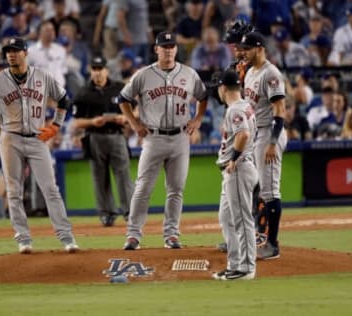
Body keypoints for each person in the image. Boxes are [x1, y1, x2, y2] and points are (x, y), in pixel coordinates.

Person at [0, 37, 79, 254]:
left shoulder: (43, 77)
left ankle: (66, 237)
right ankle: (23, 239)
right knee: (14, 191)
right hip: (10, 138)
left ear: (26, 53)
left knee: (50, 189)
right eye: (8, 51)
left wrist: (56, 125)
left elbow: (65, 100)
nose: (11, 54)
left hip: (38, 138)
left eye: (16, 50)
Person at [118, 31, 208, 250]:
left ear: (176, 49)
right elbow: (123, 99)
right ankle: (133, 235)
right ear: (156, 49)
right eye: (164, 46)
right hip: (153, 137)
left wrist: (197, 119)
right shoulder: (143, 75)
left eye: (171, 46)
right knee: (142, 189)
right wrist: (134, 123)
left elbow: (203, 97)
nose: (168, 50)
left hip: (180, 137)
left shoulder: (189, 73)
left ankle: (171, 235)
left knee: (176, 189)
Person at [240, 31, 287, 260]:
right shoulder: (250, 72)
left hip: (270, 133)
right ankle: (257, 236)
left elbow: (280, 110)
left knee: (269, 190)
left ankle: (273, 244)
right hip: (257, 133)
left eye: (247, 48)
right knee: (256, 188)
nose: (243, 52)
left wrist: (273, 142)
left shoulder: (270, 74)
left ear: (259, 48)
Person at [73, 55, 134, 227]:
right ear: (91, 71)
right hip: (94, 137)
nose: (98, 72)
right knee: (100, 178)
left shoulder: (119, 88)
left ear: (107, 70)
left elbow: (136, 110)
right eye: (95, 69)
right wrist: (92, 122)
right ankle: (106, 213)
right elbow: (77, 121)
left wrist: (125, 117)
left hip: (117, 135)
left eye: (100, 69)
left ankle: (129, 212)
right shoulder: (83, 92)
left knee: (124, 175)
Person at [212, 70, 258, 281]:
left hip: (238, 169)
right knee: (226, 218)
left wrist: (234, 158)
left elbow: (244, 134)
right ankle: (235, 263)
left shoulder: (235, 110)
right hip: (238, 169)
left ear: (223, 88)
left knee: (241, 219)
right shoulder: (246, 105)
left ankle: (247, 268)